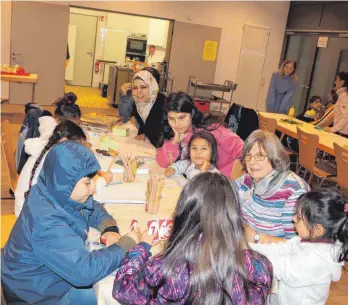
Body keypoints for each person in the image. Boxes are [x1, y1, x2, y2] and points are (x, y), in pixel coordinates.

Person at [2, 141, 140, 305]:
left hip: (42, 282)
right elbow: (84, 272)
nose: (93, 188)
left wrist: (109, 228)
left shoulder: (52, 189)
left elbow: (91, 207)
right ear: (65, 182)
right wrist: (126, 244)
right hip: (34, 295)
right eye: (87, 182)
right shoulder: (48, 222)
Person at [113, 173, 273, 305]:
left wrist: (141, 247)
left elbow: (122, 290)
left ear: (184, 214)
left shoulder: (168, 268)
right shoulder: (260, 267)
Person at [249, 188, 347, 305]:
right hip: (283, 297)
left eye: (299, 218)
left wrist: (246, 254)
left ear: (318, 229)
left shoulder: (315, 260)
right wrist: (249, 247)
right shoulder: (308, 240)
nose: (293, 218)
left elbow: (276, 267)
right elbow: (280, 249)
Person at [233, 130, 309, 243]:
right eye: (248, 156)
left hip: (278, 255)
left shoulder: (293, 190)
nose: (252, 162)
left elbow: (297, 244)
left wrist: (256, 237)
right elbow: (224, 198)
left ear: (274, 157)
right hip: (249, 247)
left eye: (259, 156)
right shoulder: (247, 181)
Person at [156, 92, 244, 177]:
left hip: (223, 183)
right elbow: (162, 163)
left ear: (192, 113)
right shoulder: (176, 133)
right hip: (199, 182)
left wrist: (230, 177)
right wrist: (175, 142)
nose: (177, 124)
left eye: (182, 118)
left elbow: (244, 150)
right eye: (171, 119)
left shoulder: (212, 130)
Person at [14, 120, 86, 216]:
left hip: (28, 206)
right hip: (30, 215)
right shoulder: (56, 160)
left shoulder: (50, 148)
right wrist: (103, 180)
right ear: (64, 140)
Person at [118, 68, 167, 147]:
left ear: (153, 86)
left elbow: (164, 135)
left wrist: (147, 135)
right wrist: (123, 97)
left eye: (143, 87)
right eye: (135, 87)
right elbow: (124, 118)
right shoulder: (139, 102)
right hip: (145, 145)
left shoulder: (163, 105)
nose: (138, 92)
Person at [324, 71, 348, 137]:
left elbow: (345, 117)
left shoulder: (344, 97)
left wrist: (332, 129)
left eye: (336, 80)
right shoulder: (342, 95)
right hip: (340, 131)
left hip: (342, 133)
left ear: (342, 82)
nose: (335, 82)